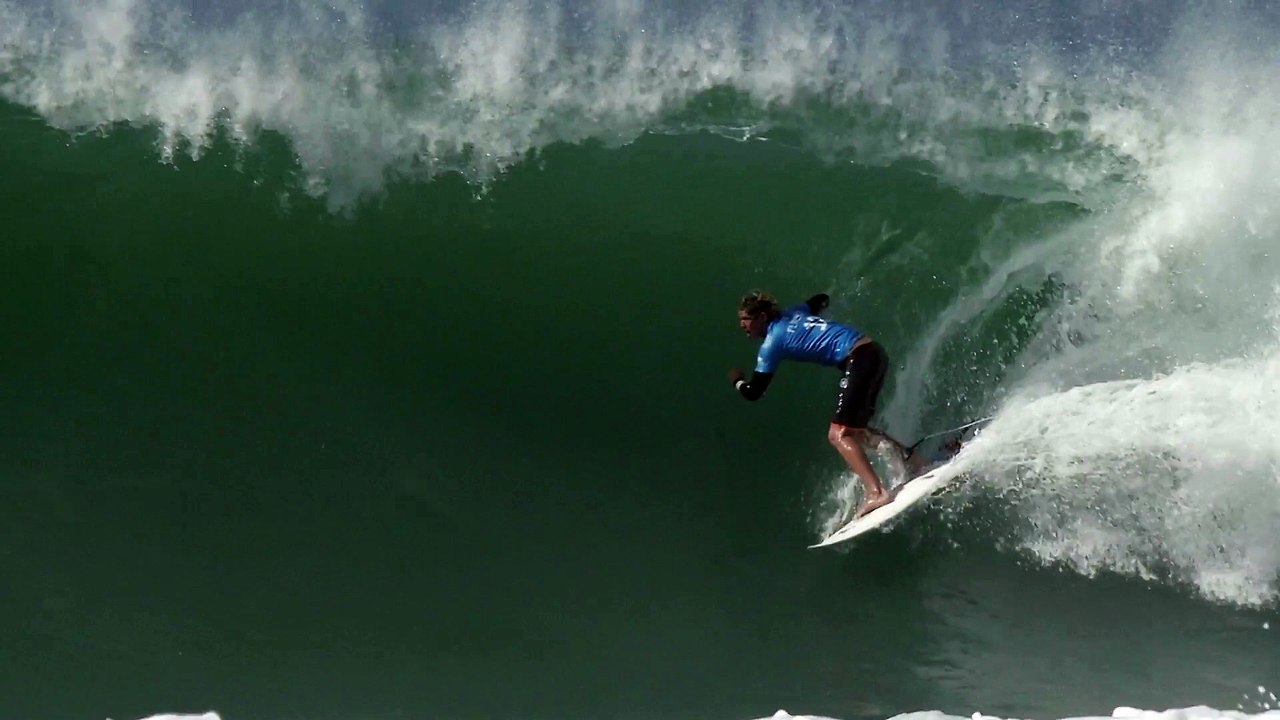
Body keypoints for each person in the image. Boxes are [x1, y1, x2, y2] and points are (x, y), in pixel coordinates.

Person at [729, 290, 917, 518]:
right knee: (856, 430)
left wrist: (738, 381)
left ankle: (876, 492)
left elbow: (754, 392)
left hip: (858, 360)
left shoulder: (772, 344)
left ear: (761, 317)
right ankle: (914, 461)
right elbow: (820, 299)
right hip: (874, 353)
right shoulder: (794, 312)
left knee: (838, 435)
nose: (742, 325)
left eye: (745, 319)